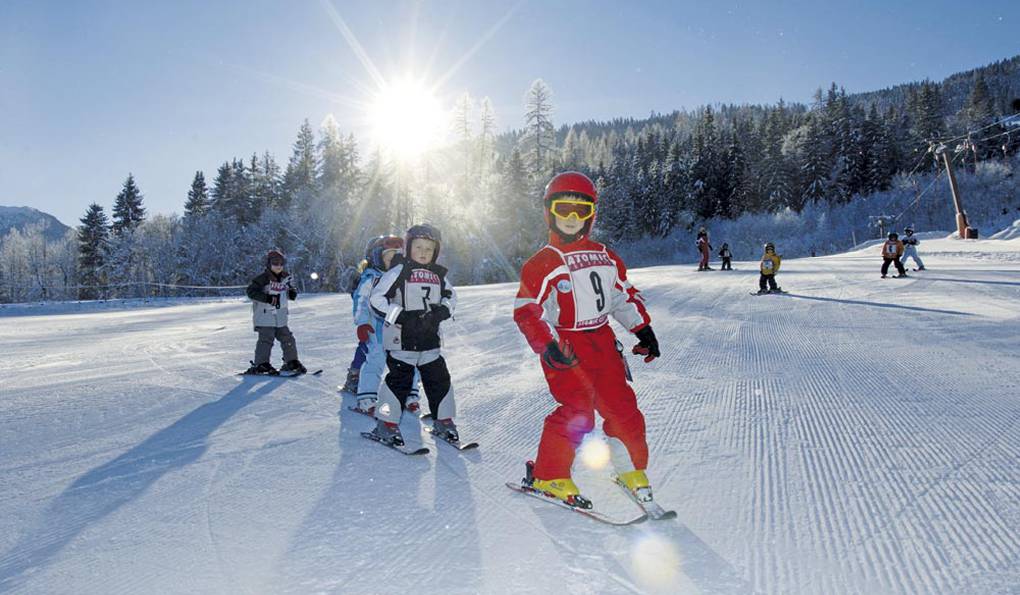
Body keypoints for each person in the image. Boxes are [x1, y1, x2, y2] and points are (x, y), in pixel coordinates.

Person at [513, 171, 661, 509]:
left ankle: (630, 469)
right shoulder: (543, 262)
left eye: (580, 210)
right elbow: (526, 310)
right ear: (549, 211)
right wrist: (547, 345)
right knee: (578, 410)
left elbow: (622, 296)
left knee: (622, 406)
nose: (571, 217)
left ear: (591, 214)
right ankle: (549, 474)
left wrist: (642, 329)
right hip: (566, 344)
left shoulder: (605, 255)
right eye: (563, 208)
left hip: (603, 341)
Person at [367, 224, 459, 446]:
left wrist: (443, 310)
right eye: (418, 247)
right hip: (402, 339)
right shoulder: (398, 271)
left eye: (429, 248)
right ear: (408, 247)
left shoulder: (438, 274)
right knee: (399, 382)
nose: (423, 252)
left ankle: (444, 420)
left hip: (429, 340)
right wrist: (400, 315)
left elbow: (451, 296)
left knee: (439, 379)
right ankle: (386, 423)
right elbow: (376, 299)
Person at [351, 235, 421, 414]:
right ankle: (367, 399)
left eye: (398, 256)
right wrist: (362, 323)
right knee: (375, 360)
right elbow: (361, 301)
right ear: (378, 258)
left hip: (400, 327)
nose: (394, 261)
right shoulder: (371, 278)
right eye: (390, 257)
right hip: (377, 327)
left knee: (408, 360)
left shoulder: (404, 276)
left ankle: (410, 394)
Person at [244, 249, 306, 375]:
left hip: (280, 316)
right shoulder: (262, 279)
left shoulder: (285, 278)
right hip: (265, 315)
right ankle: (261, 364)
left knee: (288, 338)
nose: (278, 266)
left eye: (281, 263)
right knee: (266, 339)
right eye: (275, 263)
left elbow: (289, 293)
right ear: (269, 264)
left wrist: (291, 293)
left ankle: (291, 361)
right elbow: (250, 292)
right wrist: (267, 298)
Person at [340, 258, 371, 393]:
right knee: (366, 345)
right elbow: (359, 300)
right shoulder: (367, 276)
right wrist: (363, 321)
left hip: (391, 318)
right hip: (371, 319)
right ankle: (354, 375)